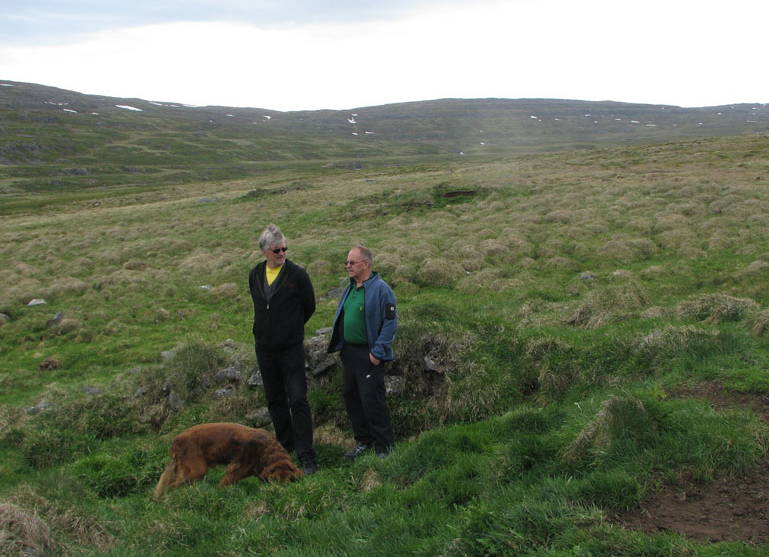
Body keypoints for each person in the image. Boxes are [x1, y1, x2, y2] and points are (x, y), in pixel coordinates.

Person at [248, 224, 317, 475]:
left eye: (285, 249)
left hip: (291, 349)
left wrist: (291, 329)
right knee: (275, 400)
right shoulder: (255, 274)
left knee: (298, 400)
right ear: (265, 251)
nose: (282, 253)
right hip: (264, 349)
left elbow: (309, 305)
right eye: (277, 250)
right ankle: (285, 448)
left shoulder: (297, 275)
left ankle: (306, 455)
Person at [327, 246, 397, 459]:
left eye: (352, 263)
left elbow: (390, 322)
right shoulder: (350, 288)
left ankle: (384, 446)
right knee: (351, 397)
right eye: (347, 263)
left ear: (365, 264)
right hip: (350, 353)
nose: (348, 266)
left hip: (369, 354)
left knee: (372, 399)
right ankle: (362, 441)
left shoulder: (381, 289)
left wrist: (377, 352)